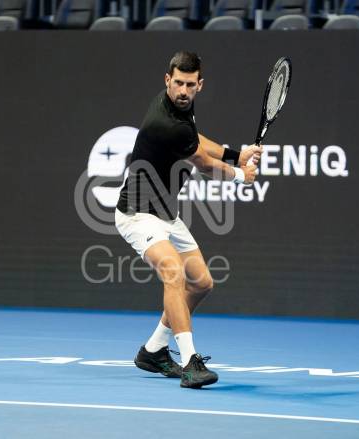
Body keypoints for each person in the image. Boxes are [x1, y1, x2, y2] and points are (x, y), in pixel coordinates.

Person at [115, 51, 261, 389]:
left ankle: (153, 350)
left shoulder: (181, 110)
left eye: (190, 85)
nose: (183, 90)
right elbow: (204, 163)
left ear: (199, 85)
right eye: (178, 83)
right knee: (174, 273)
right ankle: (190, 361)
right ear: (167, 80)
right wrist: (241, 174)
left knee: (202, 283)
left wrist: (236, 154)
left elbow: (196, 138)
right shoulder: (165, 123)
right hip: (137, 214)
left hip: (166, 211)